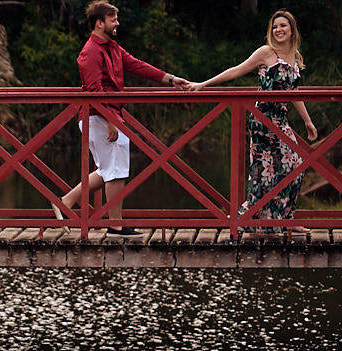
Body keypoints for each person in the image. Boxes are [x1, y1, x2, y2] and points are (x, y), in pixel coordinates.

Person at [52, 1, 189, 236]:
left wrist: (170, 78)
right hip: (99, 117)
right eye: (113, 19)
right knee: (115, 170)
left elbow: (137, 65)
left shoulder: (112, 47)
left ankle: (65, 202)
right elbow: (94, 92)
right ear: (99, 23)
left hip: (109, 115)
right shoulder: (90, 52)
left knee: (108, 168)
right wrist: (110, 121)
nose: (117, 23)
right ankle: (115, 224)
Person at [190, 9, 318, 236]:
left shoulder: (295, 56)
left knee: (295, 166)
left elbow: (294, 91)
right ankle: (251, 219)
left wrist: (307, 121)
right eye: (275, 26)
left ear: (292, 30)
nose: (278, 30)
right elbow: (236, 71)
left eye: (283, 26)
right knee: (265, 170)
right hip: (262, 119)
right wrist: (203, 84)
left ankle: (285, 219)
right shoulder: (266, 53)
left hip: (280, 119)